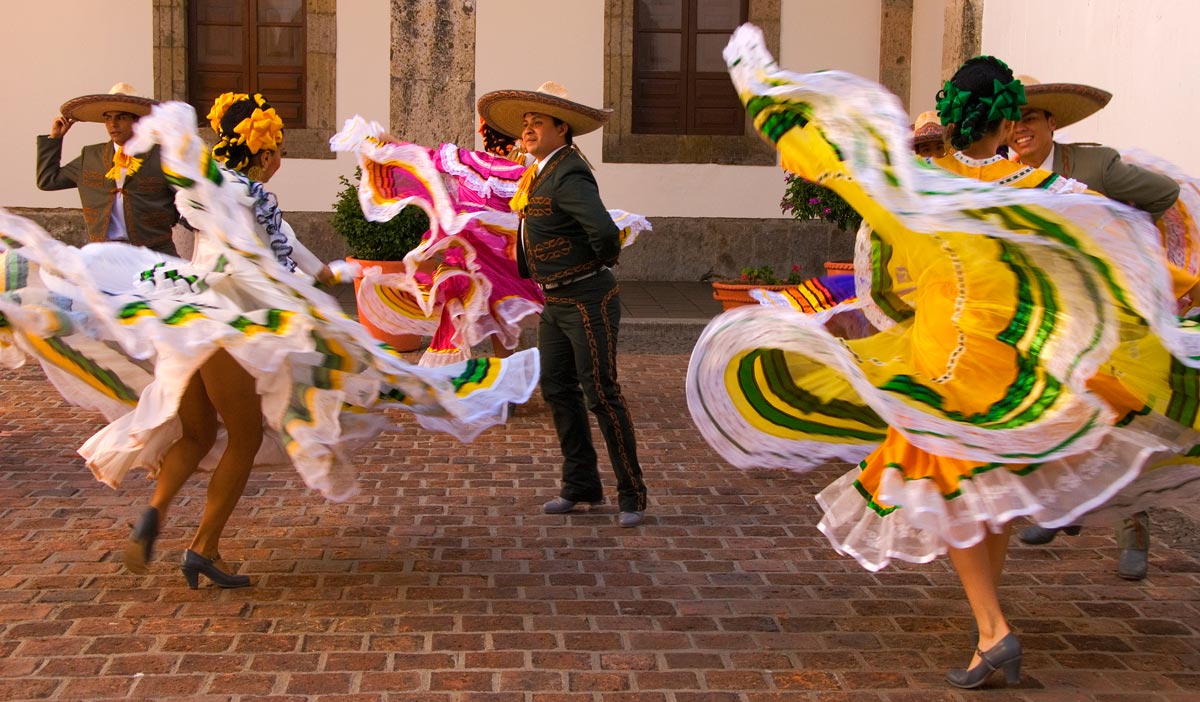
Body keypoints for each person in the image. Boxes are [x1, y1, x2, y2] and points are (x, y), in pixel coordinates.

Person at [692, 25, 1200, 690]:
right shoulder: (1047, 194)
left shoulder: (916, 187)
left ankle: (993, 631)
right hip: (1025, 368)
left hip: (948, 366)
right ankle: (989, 624)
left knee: (958, 487)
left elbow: (833, 166)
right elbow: (1127, 257)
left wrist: (764, 93)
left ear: (953, 120)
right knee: (984, 492)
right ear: (1007, 120)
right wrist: (1176, 297)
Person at [3, 94, 540, 590]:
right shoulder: (255, 198)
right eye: (279, 149)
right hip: (235, 331)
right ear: (265, 153)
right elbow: (291, 268)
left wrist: (349, 271)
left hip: (185, 321)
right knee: (242, 436)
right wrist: (349, 273)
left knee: (193, 433)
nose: (280, 157)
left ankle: (155, 513)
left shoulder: (206, 189)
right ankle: (203, 546)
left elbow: (269, 252)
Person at [1008, 77, 1182, 580]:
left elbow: (1163, 194)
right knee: (1045, 415)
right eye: (1014, 121)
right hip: (1046, 317)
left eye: (1032, 119)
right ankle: (1064, 509)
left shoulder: (1093, 166)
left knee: (1117, 420)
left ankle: (1134, 529)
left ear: (1051, 125)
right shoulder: (999, 175)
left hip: (1110, 317)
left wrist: (1117, 232)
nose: (1021, 129)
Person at [476, 82, 649, 527]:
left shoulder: (569, 172)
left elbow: (604, 233)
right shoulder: (540, 171)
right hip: (555, 298)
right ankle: (581, 485)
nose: (528, 128)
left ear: (562, 128)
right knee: (557, 389)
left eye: (538, 121)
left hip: (587, 296)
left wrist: (593, 266)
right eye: (525, 122)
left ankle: (631, 494)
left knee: (602, 395)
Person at [36, 83, 180, 255]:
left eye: (121, 117)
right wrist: (55, 139)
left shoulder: (161, 156)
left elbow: (187, 196)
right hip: (105, 254)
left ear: (137, 121)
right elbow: (48, 180)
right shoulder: (91, 156)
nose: (113, 124)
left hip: (154, 250)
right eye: (108, 118)